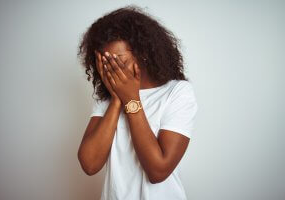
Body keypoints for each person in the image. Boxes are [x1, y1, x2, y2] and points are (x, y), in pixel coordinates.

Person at [77, 5, 198, 200]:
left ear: (143, 53)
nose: (112, 71)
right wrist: (117, 99)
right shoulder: (107, 99)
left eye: (119, 62)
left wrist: (131, 99)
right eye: (106, 65)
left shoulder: (177, 92)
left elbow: (157, 171)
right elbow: (90, 164)